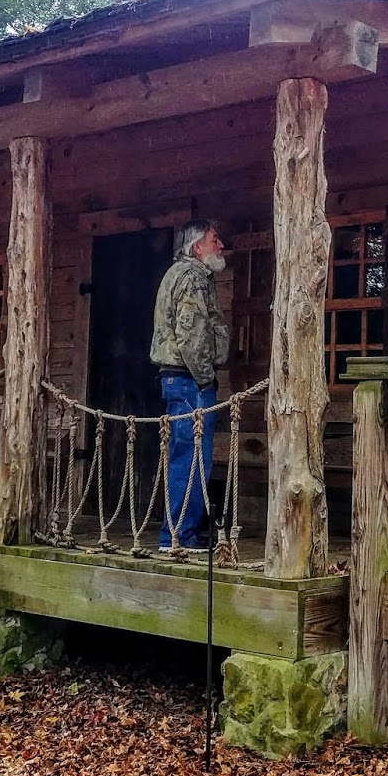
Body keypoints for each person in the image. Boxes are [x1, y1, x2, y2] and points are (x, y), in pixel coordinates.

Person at [149, 220, 229, 551]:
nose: (220, 245)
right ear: (197, 247)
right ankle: (179, 536)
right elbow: (192, 336)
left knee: (186, 456)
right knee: (191, 458)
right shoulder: (192, 277)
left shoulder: (178, 274)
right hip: (189, 380)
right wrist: (206, 378)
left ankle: (180, 534)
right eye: (214, 239)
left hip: (180, 378)